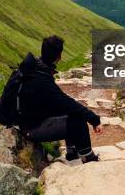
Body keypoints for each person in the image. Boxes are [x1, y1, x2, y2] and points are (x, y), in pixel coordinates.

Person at [19, 35, 102, 163]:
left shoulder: (34, 68)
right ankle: (88, 159)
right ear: (59, 56)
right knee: (78, 122)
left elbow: (61, 103)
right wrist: (94, 119)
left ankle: (72, 152)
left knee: (70, 112)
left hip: (28, 119)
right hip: (31, 128)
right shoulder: (42, 79)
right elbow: (66, 103)